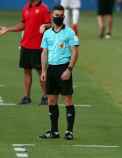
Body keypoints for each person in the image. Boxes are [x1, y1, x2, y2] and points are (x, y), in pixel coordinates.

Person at [39, 5, 79, 140]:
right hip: (51, 70)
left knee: (67, 99)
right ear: (52, 16)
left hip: (64, 68)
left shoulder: (69, 32)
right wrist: (44, 71)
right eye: (57, 15)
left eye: (61, 15)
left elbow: (75, 52)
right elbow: (44, 52)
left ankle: (69, 131)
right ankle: (54, 131)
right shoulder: (47, 33)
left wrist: (69, 69)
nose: (59, 18)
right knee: (51, 100)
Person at [0, 0, 51, 105]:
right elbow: (23, 24)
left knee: (41, 71)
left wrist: (45, 26)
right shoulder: (26, 7)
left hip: (38, 46)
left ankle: (45, 97)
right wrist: (8, 29)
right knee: (26, 71)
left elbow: (50, 24)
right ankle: (26, 97)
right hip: (25, 45)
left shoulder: (44, 8)